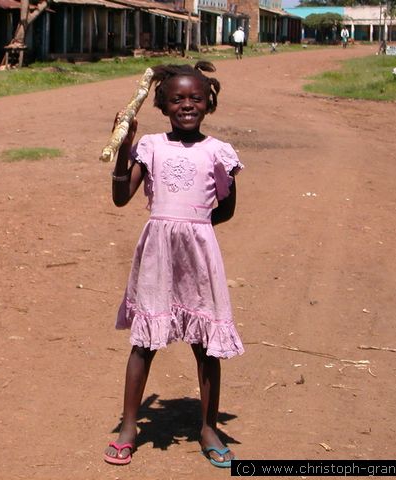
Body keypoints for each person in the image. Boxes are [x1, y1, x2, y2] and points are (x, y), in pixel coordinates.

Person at [103, 61, 245, 469]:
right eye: (178, 99)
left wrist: (192, 227)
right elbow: (120, 198)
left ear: (208, 102)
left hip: (199, 255)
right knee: (144, 342)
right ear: (162, 104)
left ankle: (208, 428)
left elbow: (227, 208)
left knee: (205, 345)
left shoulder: (218, 152)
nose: (187, 105)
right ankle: (130, 428)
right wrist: (123, 149)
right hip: (157, 255)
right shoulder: (149, 146)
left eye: (196, 98)